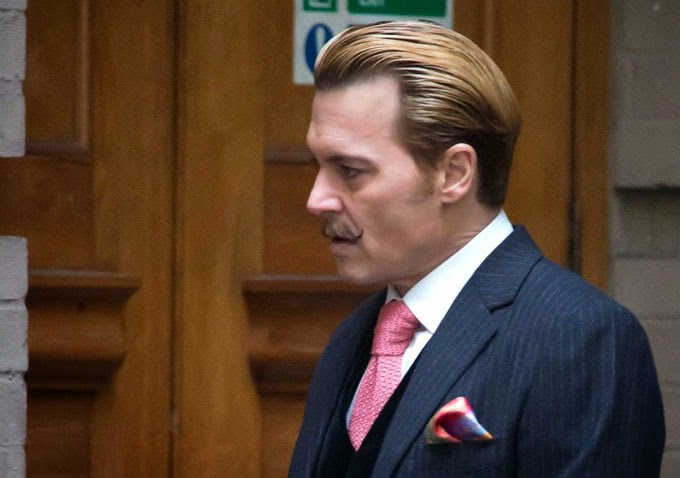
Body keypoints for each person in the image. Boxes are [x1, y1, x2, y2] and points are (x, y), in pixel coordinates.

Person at [289, 21, 665, 477]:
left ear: (454, 174)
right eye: (317, 165)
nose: (316, 199)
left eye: (350, 170)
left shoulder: (579, 337)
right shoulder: (356, 337)